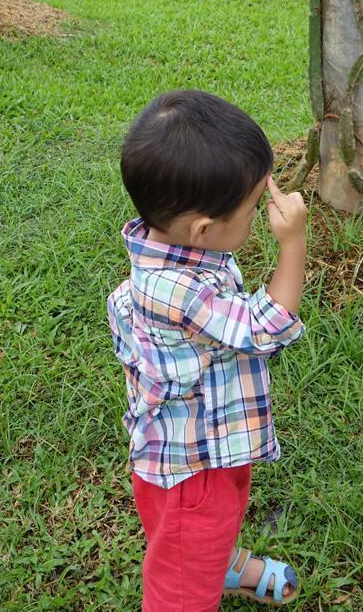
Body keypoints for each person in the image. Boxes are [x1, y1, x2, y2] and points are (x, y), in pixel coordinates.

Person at [107, 89, 309, 610]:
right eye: (249, 210)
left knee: (222, 516)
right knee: (180, 587)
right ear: (203, 229)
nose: (257, 217)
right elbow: (268, 324)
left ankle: (218, 561)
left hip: (213, 443)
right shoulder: (177, 292)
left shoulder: (177, 248)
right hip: (189, 471)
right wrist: (293, 244)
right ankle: (202, 568)